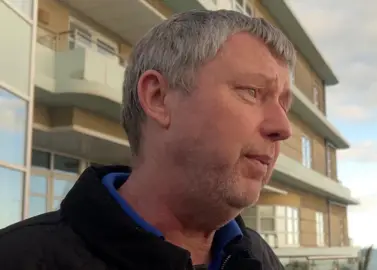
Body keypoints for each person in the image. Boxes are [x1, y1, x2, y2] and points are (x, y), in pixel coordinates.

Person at [0, 9, 295, 270]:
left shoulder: (259, 257)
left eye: (285, 105)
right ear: (159, 98)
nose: (283, 127)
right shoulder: (16, 258)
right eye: (252, 91)